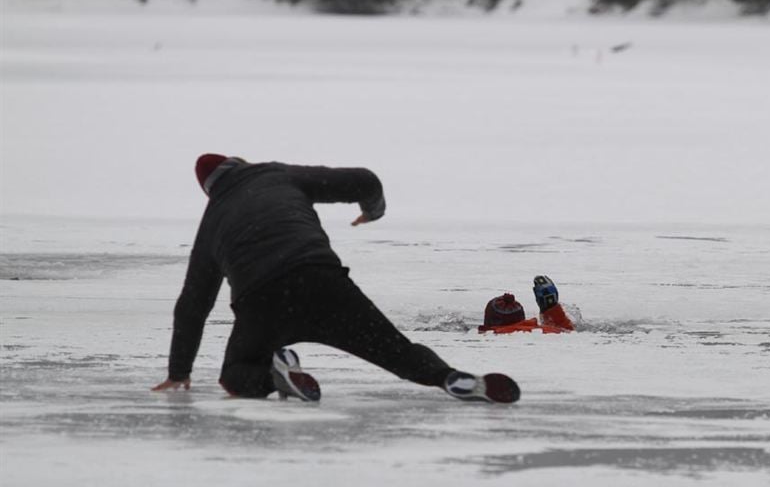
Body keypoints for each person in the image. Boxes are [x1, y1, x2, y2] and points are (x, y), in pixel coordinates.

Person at [152, 154, 519, 404]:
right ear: (241, 163)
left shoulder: (212, 220)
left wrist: (179, 370)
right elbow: (364, 180)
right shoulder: (278, 176)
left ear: (209, 191)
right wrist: (372, 211)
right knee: (397, 352)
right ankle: (449, 378)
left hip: (261, 303)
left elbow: (192, 304)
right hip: (322, 282)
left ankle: (275, 376)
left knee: (235, 374)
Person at [478, 276, 576, 334]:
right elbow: (568, 332)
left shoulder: (496, 335)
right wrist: (551, 309)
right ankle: (549, 310)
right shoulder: (541, 329)